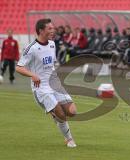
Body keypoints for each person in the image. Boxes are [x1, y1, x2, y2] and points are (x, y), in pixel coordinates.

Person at [16, 18, 77, 148]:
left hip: (54, 83)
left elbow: (51, 64)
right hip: (41, 88)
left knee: (72, 111)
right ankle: (69, 139)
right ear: (41, 31)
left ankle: (55, 115)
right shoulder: (31, 48)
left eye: (52, 28)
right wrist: (33, 75)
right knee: (60, 113)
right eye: (49, 28)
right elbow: (19, 67)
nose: (53, 30)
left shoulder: (52, 44)